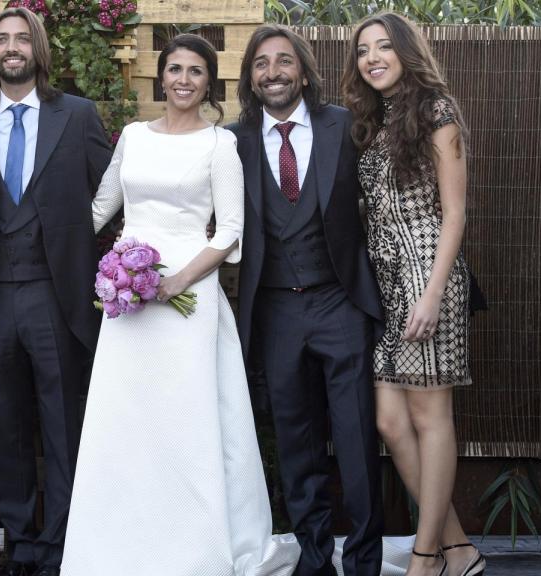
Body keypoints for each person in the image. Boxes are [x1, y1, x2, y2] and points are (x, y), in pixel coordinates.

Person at [62, 34, 300, 576]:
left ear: (208, 82)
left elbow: (230, 231)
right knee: (127, 423)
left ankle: (194, 548)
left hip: (188, 299)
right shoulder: (132, 137)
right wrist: (80, 256)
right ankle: (119, 548)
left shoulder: (219, 145)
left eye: (195, 71)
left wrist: (176, 283)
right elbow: (100, 208)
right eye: (175, 69)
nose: (183, 80)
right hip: (128, 303)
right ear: (161, 76)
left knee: (186, 422)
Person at [229, 25, 385, 576]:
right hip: (275, 312)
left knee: (356, 438)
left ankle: (363, 561)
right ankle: (315, 559)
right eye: (261, 63)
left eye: (283, 61)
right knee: (296, 443)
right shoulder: (232, 141)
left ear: (303, 70)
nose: (273, 72)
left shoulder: (346, 124)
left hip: (340, 303)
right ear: (250, 77)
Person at [0, 8, 112, 576]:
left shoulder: (77, 116)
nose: (12, 47)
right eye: (2, 39)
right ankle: (20, 545)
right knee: (5, 429)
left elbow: (112, 194)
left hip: (57, 299)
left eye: (22, 38)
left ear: (38, 49)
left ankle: (60, 547)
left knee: (62, 427)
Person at [341, 13, 482, 576]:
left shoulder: (436, 110)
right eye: (363, 50)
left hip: (428, 275)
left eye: (383, 47)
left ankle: (427, 558)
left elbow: (455, 212)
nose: (372, 58)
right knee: (390, 423)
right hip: (386, 284)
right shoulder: (375, 121)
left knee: (429, 415)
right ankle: (459, 549)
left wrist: (432, 293)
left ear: (406, 51)